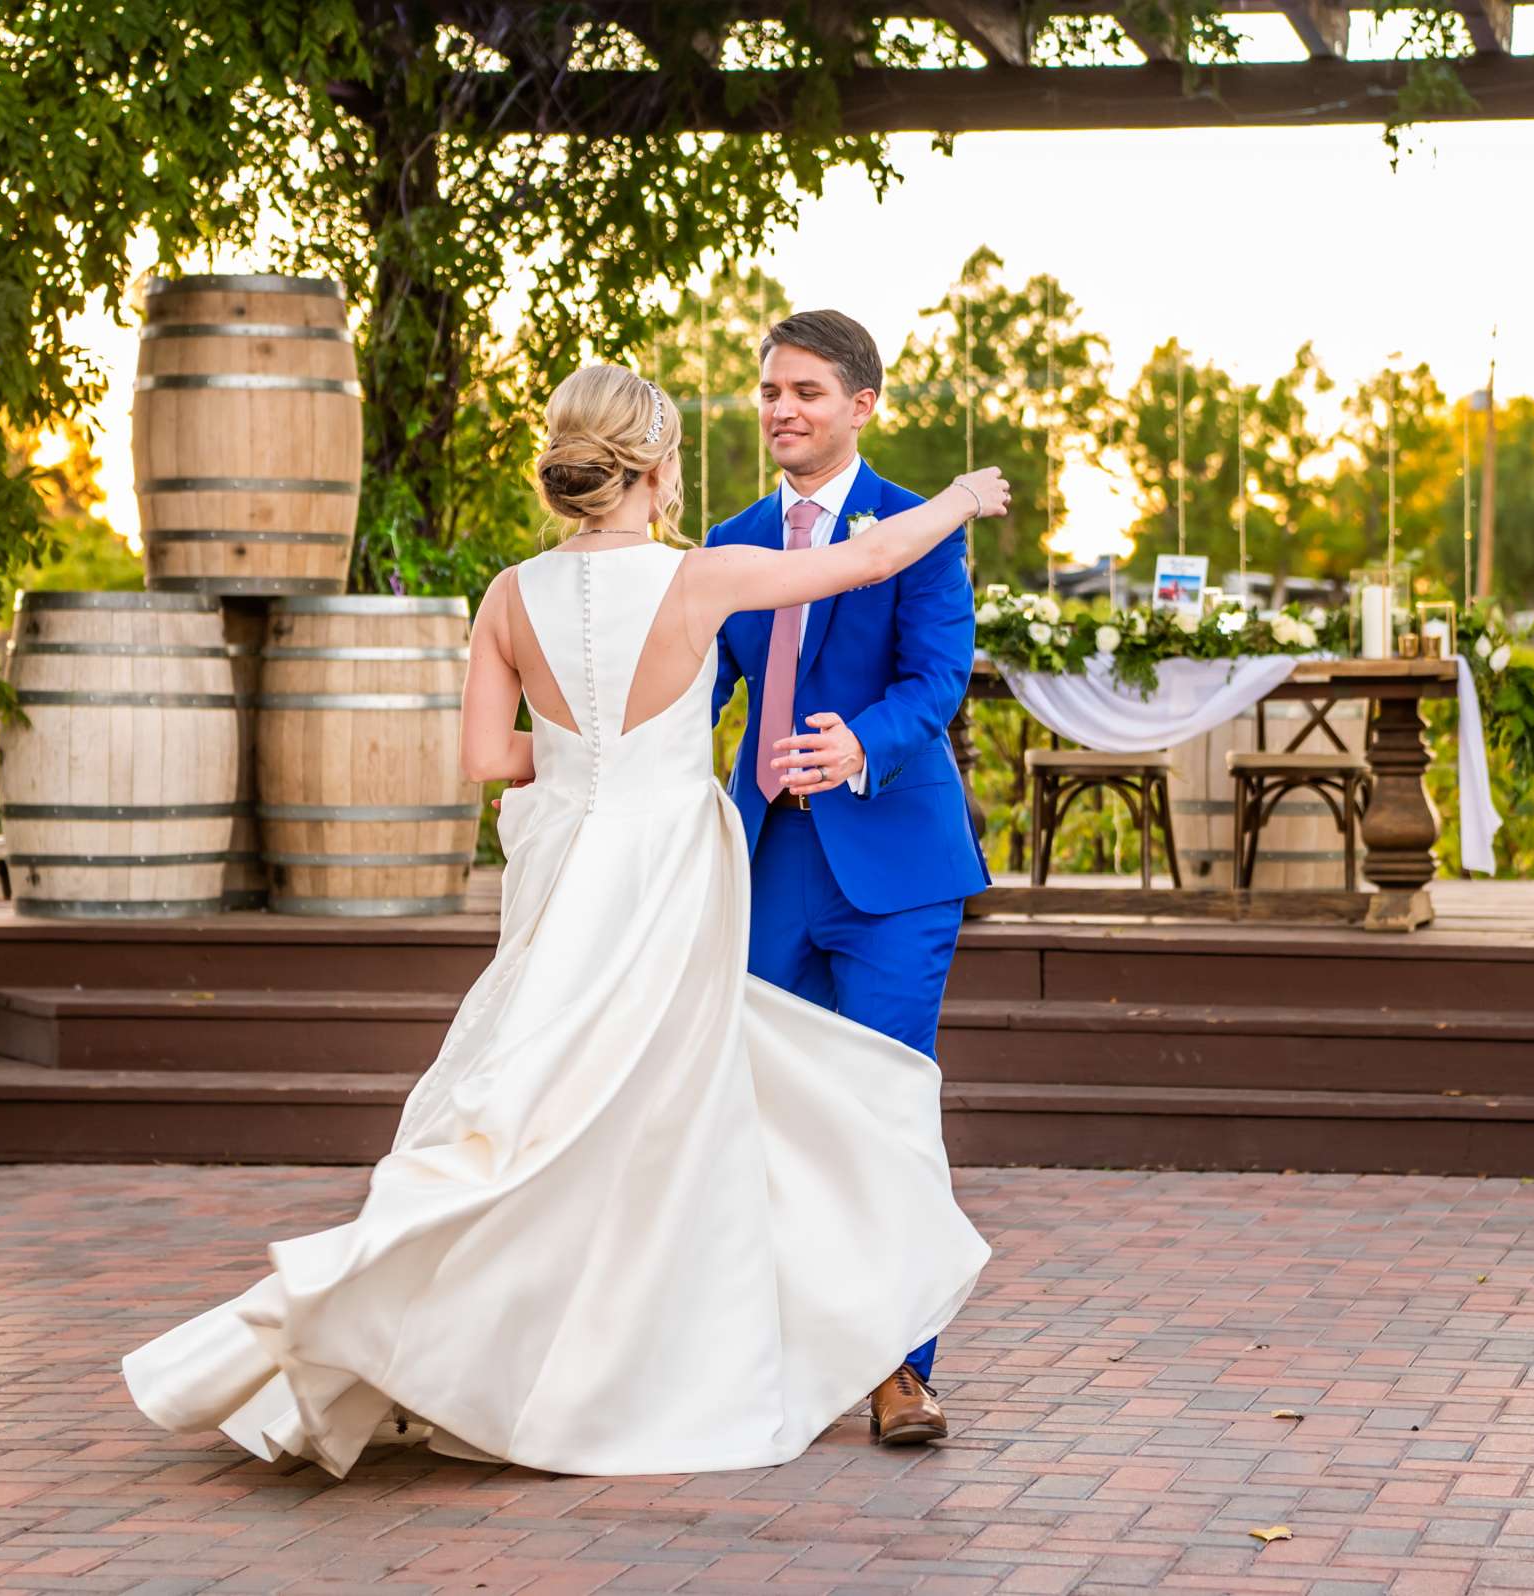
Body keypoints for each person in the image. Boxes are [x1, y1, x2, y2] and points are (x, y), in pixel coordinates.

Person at [120, 364, 1010, 1480]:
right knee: (664, 1116)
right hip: (671, 881)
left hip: (570, 883)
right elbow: (874, 554)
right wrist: (964, 497)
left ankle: (445, 1335)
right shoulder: (706, 577)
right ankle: (652, 1361)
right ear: (656, 466)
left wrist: (589, 752)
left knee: (540, 1107)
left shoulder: (507, 595)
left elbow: (491, 761)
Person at [706, 310, 994, 1444]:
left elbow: (940, 677)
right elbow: (699, 696)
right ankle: (768, 1350)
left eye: (808, 391)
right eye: (771, 390)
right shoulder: (729, 537)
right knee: (758, 1111)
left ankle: (899, 1372)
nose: (783, 408)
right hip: (765, 860)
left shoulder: (919, 527)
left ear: (863, 405)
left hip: (895, 871)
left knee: (880, 1110)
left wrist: (861, 744)